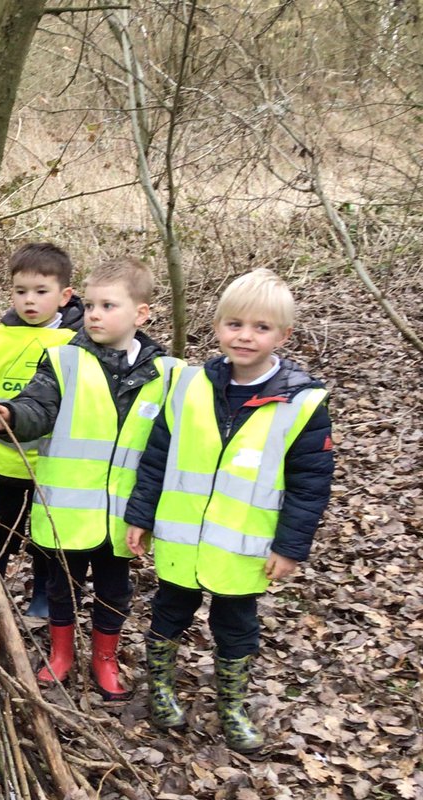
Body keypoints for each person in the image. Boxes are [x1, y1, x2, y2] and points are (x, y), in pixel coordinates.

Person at [124, 269, 334, 753]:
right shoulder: (189, 386)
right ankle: (159, 685)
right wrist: (141, 515)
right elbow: (156, 458)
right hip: (182, 537)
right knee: (169, 610)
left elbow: (310, 483)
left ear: (283, 336)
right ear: (218, 326)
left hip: (243, 543)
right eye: (235, 324)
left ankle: (232, 704)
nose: (245, 336)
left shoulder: (300, 403)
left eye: (261, 328)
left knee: (236, 623)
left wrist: (290, 546)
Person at [0, 258, 180, 700]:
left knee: (114, 590)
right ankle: (61, 653)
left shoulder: (165, 374)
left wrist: (148, 511)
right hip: (66, 514)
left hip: (123, 516)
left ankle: (105, 659)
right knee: (61, 587)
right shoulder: (63, 360)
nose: (93, 314)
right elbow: (38, 407)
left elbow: (166, 448)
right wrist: (9, 416)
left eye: (108, 306)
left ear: (141, 314)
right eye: (90, 305)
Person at [0, 242, 84, 618]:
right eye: (21, 292)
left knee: (46, 535)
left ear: (65, 295)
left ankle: (42, 594)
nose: (29, 301)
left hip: (54, 465)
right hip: (3, 460)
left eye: (41, 292)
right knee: (2, 527)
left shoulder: (79, 343)